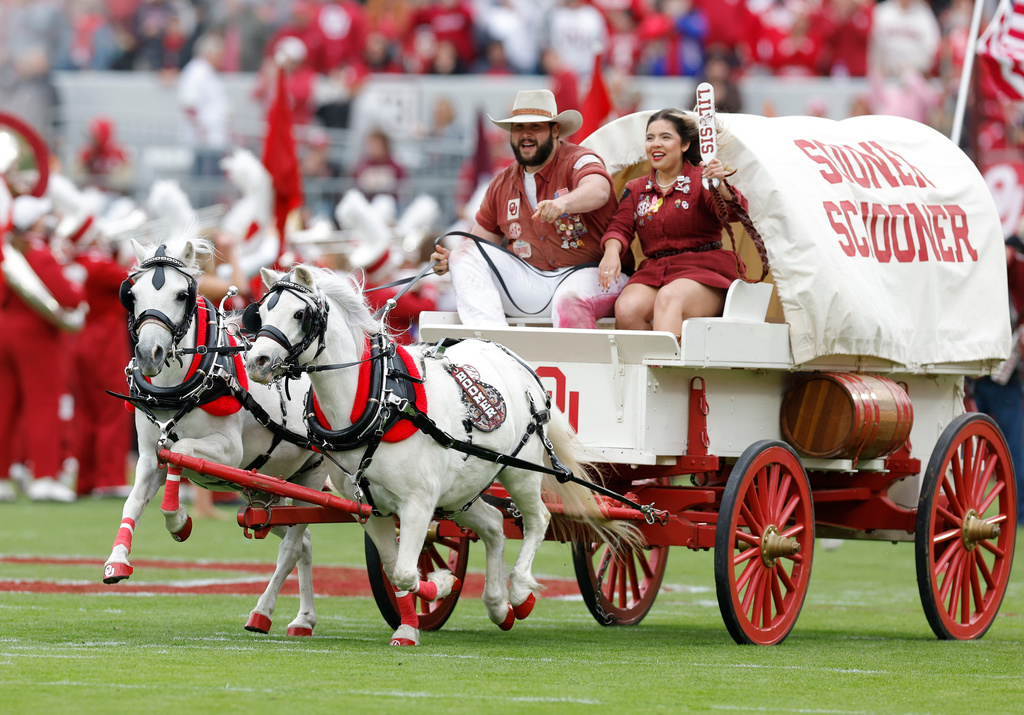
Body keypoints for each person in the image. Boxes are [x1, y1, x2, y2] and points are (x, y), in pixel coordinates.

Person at [431, 89, 626, 328]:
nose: (526, 135)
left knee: (569, 300)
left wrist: (562, 203)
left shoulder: (579, 159)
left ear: (555, 131)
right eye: (519, 128)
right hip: (531, 280)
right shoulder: (500, 183)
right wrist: (450, 262)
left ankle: (580, 362)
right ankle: (491, 349)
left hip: (591, 273)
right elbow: (478, 246)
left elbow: (599, 190)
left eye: (535, 127)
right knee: (464, 254)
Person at [597, 108, 755, 338]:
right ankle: (648, 367)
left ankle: (667, 370)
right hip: (655, 272)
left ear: (684, 145)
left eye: (665, 137)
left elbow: (734, 213)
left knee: (668, 298)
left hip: (704, 271)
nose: (655, 144)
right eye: (650, 138)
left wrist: (720, 185)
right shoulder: (636, 188)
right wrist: (611, 252)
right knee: (626, 308)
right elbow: (619, 227)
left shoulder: (702, 178)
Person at [0, 196, 84, 502]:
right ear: (35, 221)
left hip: (4, 329)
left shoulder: (7, 252)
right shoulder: (39, 254)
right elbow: (69, 297)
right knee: (43, 406)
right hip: (36, 336)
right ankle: (44, 477)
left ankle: (3, 479)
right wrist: (76, 284)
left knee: (4, 408)